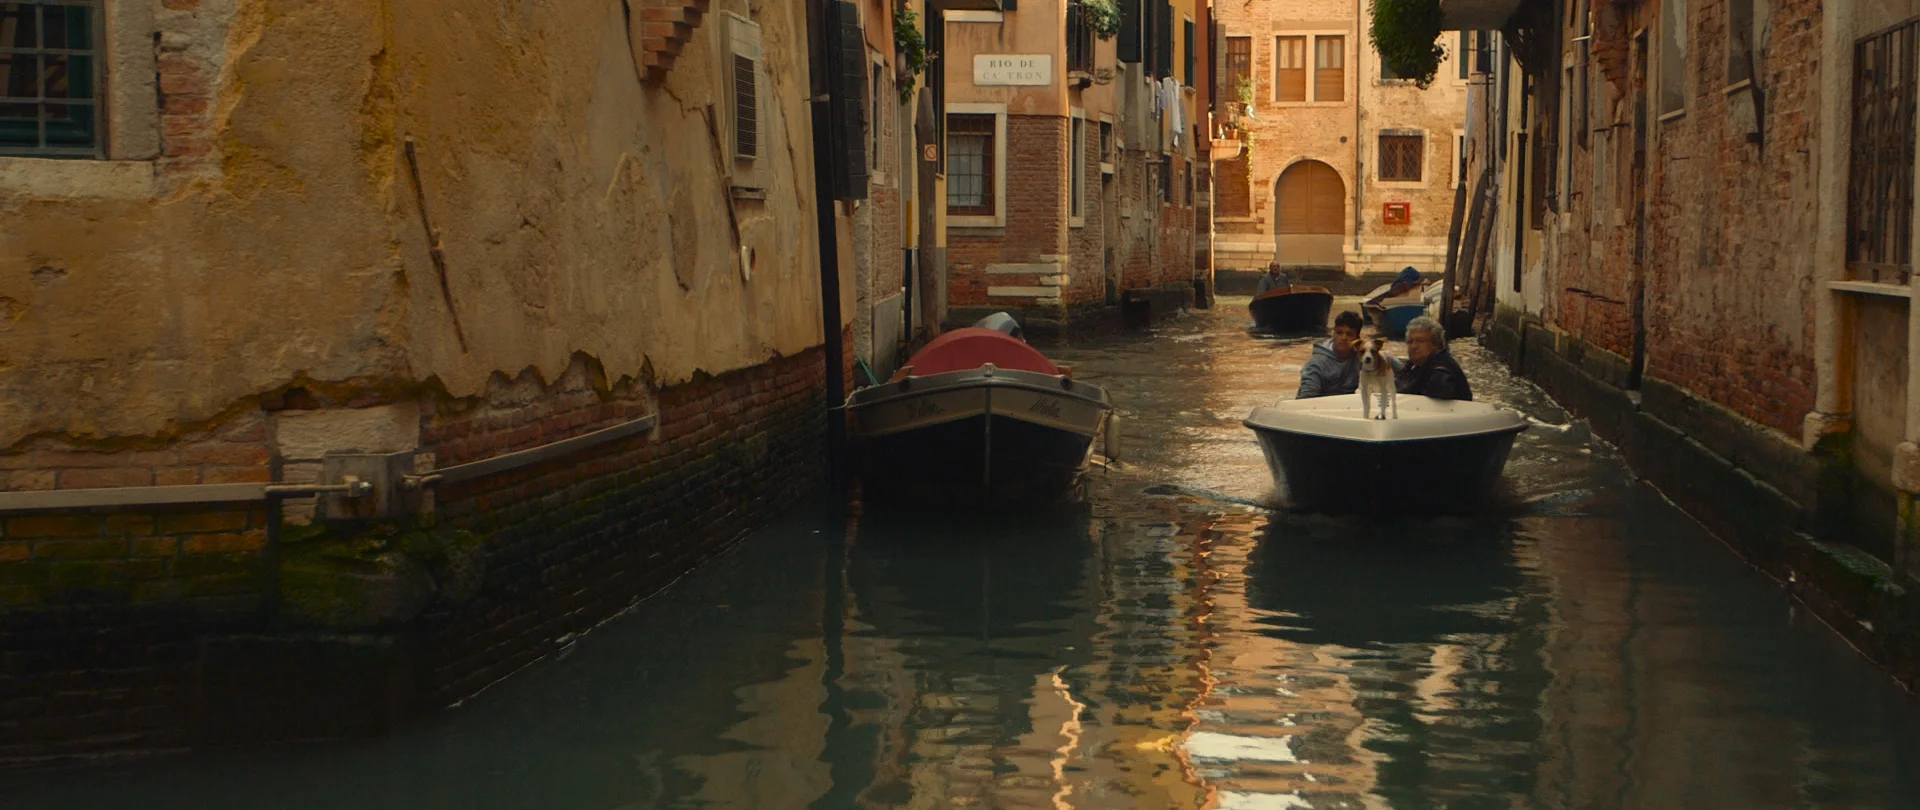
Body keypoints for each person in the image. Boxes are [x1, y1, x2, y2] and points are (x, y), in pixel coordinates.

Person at [1396, 315, 1473, 401]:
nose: (1413, 346)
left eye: (1420, 341)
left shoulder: (1442, 369)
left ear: (1436, 344)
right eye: (1410, 341)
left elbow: (1438, 395)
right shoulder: (1413, 365)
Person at [1297, 310, 1368, 399]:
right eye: (1339, 332)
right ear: (1333, 334)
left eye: (1349, 334)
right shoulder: (1317, 364)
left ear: (1357, 339)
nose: (1344, 338)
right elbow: (1305, 399)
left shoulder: (1360, 357)